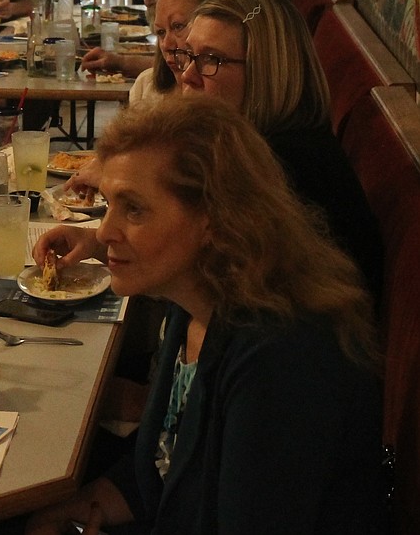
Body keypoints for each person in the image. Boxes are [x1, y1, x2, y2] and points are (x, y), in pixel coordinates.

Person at [26, 95, 383, 534]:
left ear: (214, 218)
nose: (103, 231)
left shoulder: (282, 358)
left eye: (133, 208)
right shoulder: (192, 304)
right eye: (109, 203)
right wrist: (66, 512)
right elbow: (162, 469)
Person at [62, 0, 383, 300]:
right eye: (188, 55)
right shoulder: (248, 145)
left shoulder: (284, 163)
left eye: (211, 59)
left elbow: (210, 277)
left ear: (266, 70)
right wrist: (95, 244)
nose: (187, 75)